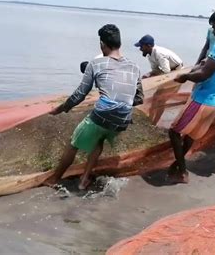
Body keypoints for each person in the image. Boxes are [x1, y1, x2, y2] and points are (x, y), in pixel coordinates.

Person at [44, 24, 144, 190]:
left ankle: (54, 178)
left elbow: (79, 94)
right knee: (100, 137)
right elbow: (139, 98)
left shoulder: (95, 64)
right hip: (124, 120)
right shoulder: (135, 66)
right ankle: (84, 178)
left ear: (102, 44)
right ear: (119, 44)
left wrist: (61, 108)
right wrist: (121, 104)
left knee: (74, 142)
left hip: (103, 114)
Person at [167, 8, 215, 183]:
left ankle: (182, 171)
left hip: (203, 98)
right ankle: (177, 165)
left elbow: (204, 74)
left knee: (174, 132)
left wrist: (185, 77)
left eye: (213, 27)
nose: (213, 31)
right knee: (192, 134)